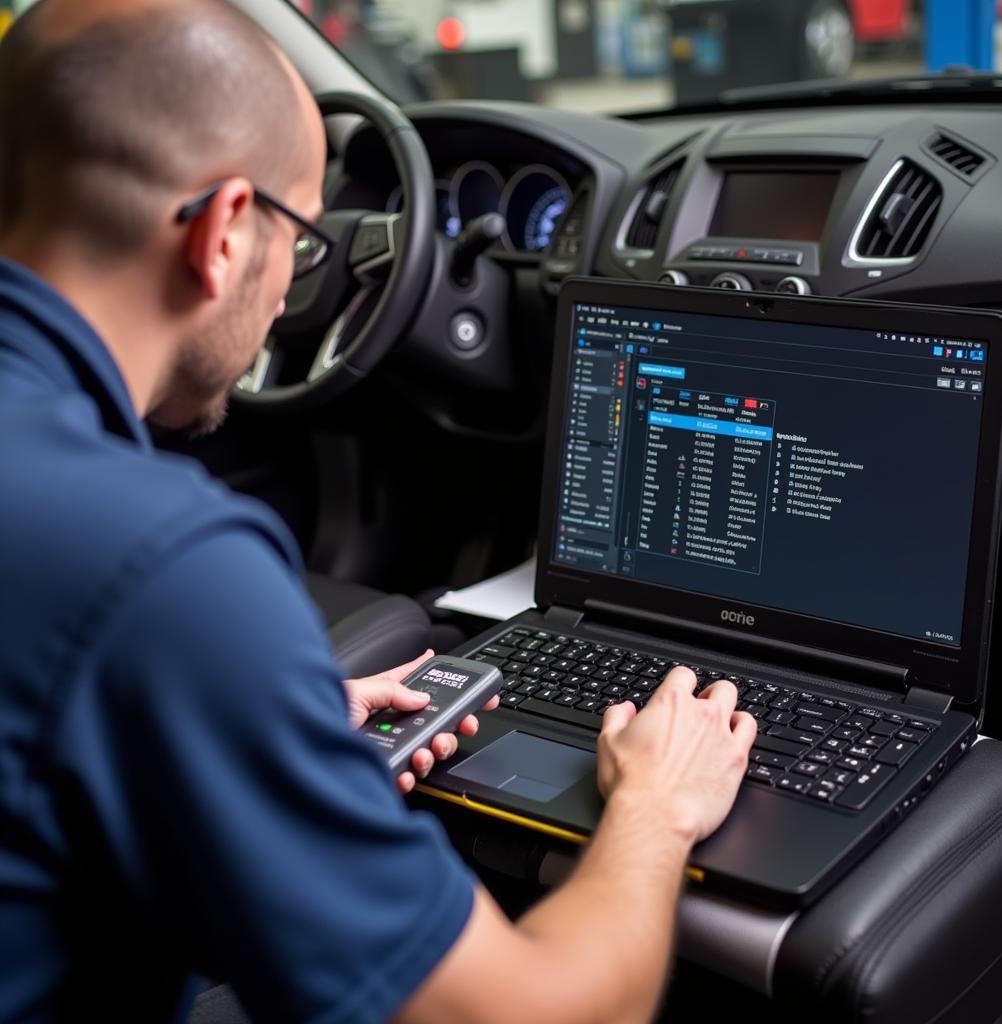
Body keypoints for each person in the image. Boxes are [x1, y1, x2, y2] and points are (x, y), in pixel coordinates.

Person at [0, 1, 757, 1021]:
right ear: (226, 231)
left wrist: (258, 719)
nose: (291, 291)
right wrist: (659, 810)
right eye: (304, 242)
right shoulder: (160, 568)